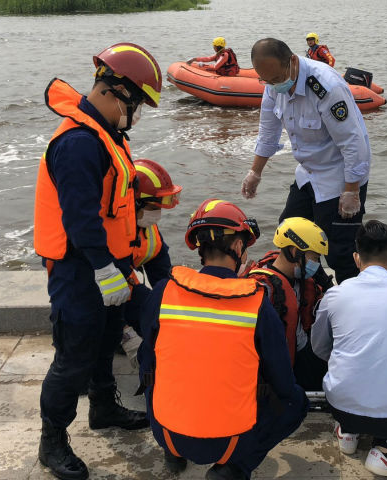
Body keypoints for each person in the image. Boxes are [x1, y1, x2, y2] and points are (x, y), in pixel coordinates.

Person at [33, 43, 162, 479]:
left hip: (108, 261)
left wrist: (119, 263)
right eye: (138, 103)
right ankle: (51, 442)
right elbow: (79, 217)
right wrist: (104, 269)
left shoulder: (106, 136)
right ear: (114, 93)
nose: (138, 112)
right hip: (79, 269)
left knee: (107, 339)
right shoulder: (79, 144)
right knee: (74, 356)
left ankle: (104, 408)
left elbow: (113, 208)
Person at [138, 199, 308, 479]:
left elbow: (147, 358)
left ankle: (172, 454)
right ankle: (233, 470)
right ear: (239, 248)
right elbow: (283, 381)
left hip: (165, 431)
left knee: (150, 368)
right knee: (295, 402)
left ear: (199, 248)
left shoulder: (163, 292)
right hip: (229, 443)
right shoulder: (257, 303)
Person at [242, 38, 371, 285]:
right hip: (309, 173)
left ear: (291, 62)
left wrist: (352, 190)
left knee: (340, 251)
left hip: (340, 175)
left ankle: (351, 304)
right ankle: (318, 291)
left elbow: (353, 142)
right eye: (266, 81)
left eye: (277, 79)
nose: (273, 85)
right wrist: (255, 172)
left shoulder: (325, 86)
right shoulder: (272, 84)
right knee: (289, 234)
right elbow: (267, 132)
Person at [311, 220, 387, 477]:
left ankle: (348, 431)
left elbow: (320, 348)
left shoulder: (334, 296)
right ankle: (385, 450)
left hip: (340, 405)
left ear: (356, 258)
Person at [246, 217, 330, 390]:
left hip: (303, 354)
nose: (316, 264)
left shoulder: (303, 279)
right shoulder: (264, 289)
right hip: (281, 367)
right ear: (294, 252)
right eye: (314, 257)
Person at [120, 158, 182, 367]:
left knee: (155, 306)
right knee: (79, 347)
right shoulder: (108, 231)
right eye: (153, 206)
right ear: (133, 202)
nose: (157, 213)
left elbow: (162, 277)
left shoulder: (148, 231)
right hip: (88, 289)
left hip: (123, 286)